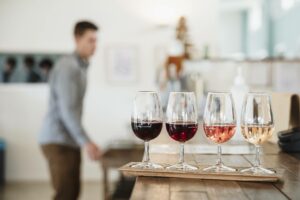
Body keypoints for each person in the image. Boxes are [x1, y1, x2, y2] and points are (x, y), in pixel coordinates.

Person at [39, 21, 101, 200]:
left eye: (96, 40)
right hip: (57, 140)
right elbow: (67, 110)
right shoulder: (69, 67)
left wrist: (83, 140)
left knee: (72, 193)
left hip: (68, 140)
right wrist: (87, 142)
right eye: (90, 40)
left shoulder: (80, 66)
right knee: (65, 194)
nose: (94, 45)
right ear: (77, 38)